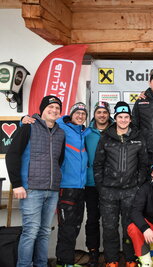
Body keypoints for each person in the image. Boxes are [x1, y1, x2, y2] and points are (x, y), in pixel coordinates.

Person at [21, 101, 91, 267]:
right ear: (70, 115)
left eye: (83, 114)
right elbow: (42, 122)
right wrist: (23, 119)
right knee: (66, 227)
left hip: (81, 187)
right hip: (65, 186)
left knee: (75, 226)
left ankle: (67, 261)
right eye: (77, 113)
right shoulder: (61, 127)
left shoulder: (85, 132)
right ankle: (64, 262)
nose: (80, 116)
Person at [6, 95, 65, 267]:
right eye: (50, 107)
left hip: (52, 190)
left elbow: (59, 160)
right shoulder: (29, 127)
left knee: (44, 232)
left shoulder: (60, 132)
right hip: (31, 189)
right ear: (42, 109)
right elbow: (12, 155)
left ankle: (41, 264)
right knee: (30, 232)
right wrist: (17, 184)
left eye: (57, 108)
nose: (54, 111)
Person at [94, 101, 148, 267]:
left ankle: (131, 258)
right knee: (109, 228)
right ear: (115, 118)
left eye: (126, 117)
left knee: (129, 227)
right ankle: (111, 260)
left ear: (130, 119)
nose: (123, 120)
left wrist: (138, 185)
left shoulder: (138, 138)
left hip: (130, 191)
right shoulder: (105, 137)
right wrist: (101, 187)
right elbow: (98, 164)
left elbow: (144, 165)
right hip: (108, 192)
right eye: (120, 117)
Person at [85, 101, 113, 267]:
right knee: (93, 220)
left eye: (104, 112)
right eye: (99, 112)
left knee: (111, 222)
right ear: (94, 114)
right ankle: (93, 254)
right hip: (91, 183)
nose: (102, 115)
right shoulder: (86, 132)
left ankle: (113, 255)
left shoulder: (116, 130)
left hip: (112, 184)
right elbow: (63, 124)